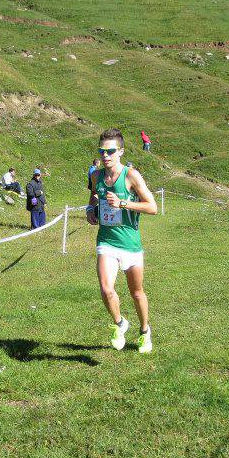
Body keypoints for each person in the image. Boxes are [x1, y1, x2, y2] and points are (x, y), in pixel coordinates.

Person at [86, 128, 158, 353]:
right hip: (106, 241)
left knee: (137, 293)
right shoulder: (96, 176)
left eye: (110, 151)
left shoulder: (131, 175)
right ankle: (120, 324)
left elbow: (152, 207)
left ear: (121, 152)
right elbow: (94, 195)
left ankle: (145, 331)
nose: (106, 155)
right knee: (106, 289)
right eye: (102, 151)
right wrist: (91, 208)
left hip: (130, 244)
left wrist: (123, 203)